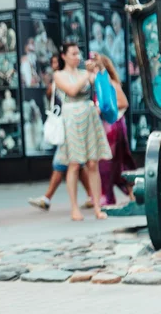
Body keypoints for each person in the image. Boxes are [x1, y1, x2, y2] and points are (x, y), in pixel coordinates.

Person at [54, 42, 112, 221]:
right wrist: (88, 74)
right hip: (71, 118)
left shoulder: (83, 73)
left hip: (89, 116)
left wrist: (100, 67)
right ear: (63, 56)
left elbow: (103, 84)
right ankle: (74, 207)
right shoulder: (59, 75)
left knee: (93, 163)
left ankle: (97, 206)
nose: (77, 57)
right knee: (74, 163)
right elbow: (71, 90)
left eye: (78, 53)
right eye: (73, 54)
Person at [28, 54, 93, 211]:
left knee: (63, 163)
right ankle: (93, 196)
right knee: (77, 163)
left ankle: (48, 198)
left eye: (57, 62)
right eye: (52, 63)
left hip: (71, 125)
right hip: (65, 126)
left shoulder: (70, 78)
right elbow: (50, 96)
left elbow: (71, 93)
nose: (54, 66)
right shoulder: (58, 78)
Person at [94, 53, 136, 206]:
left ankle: (109, 195)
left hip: (114, 126)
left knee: (109, 163)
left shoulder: (110, 83)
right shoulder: (99, 83)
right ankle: (126, 191)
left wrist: (103, 108)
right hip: (107, 126)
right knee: (113, 164)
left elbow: (123, 102)